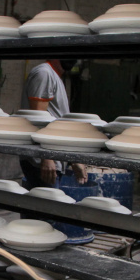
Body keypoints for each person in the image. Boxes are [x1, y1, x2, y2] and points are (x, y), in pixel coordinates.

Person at [19, 59, 87, 188]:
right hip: (42, 160)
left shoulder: (54, 76)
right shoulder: (44, 74)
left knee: (45, 205)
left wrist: (72, 159)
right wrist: (46, 157)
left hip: (52, 156)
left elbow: (58, 122)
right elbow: (38, 118)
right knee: (45, 206)